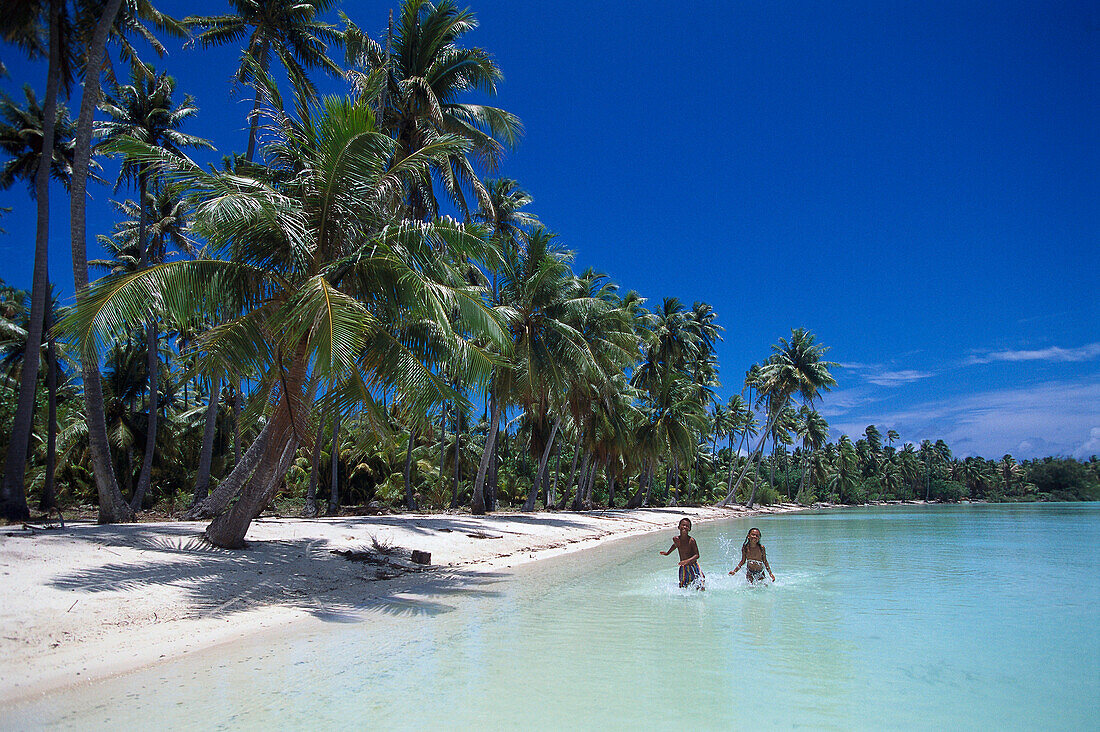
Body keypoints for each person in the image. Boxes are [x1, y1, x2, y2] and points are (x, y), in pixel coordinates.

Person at [660, 517, 705, 590]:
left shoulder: (691, 541)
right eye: (683, 525)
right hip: (683, 567)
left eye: (687, 526)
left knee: (700, 585)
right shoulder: (676, 539)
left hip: (693, 566)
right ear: (678, 527)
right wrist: (667, 553)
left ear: (689, 529)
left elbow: (697, 555)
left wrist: (687, 561)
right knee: (683, 587)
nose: (685, 527)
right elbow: (675, 545)